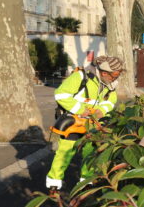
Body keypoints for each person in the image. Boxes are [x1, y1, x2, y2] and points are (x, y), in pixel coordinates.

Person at [45, 55, 124, 190]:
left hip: (93, 124)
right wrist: (81, 110)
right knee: (65, 152)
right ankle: (54, 183)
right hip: (73, 122)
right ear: (104, 73)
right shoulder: (81, 77)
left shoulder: (110, 84)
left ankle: (86, 182)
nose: (115, 79)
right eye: (114, 76)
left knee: (90, 153)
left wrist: (102, 110)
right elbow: (61, 94)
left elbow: (111, 101)